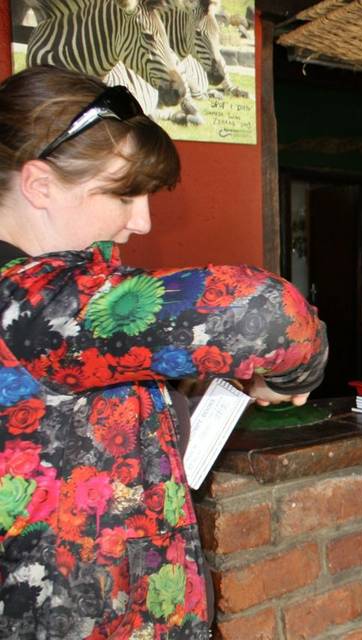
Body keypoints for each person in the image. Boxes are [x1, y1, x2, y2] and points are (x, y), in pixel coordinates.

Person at [0, 66, 328, 638]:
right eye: (123, 194)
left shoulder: (60, 306)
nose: (142, 221)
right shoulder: (28, 304)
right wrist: (296, 370)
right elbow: (267, 314)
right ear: (39, 185)